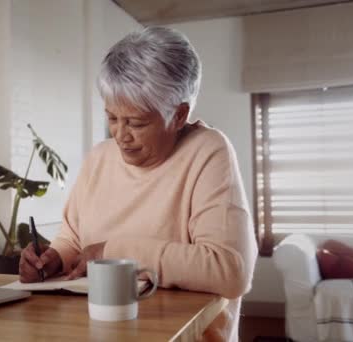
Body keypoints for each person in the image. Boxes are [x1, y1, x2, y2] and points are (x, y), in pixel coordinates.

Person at [19, 26, 257, 341]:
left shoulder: (208, 150)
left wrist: (113, 252)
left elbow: (230, 271)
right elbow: (74, 242)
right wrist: (51, 260)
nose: (120, 135)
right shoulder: (99, 158)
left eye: (136, 122)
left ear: (179, 115)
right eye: (112, 118)